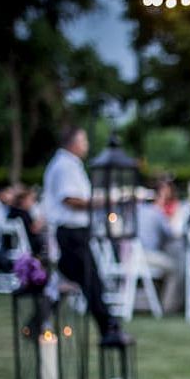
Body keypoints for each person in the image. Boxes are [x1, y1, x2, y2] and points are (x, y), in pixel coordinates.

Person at [43, 126, 126, 344]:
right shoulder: (64, 166)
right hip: (71, 233)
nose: (87, 145)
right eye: (84, 140)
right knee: (91, 281)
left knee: (68, 279)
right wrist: (104, 201)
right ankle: (109, 329)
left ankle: (38, 323)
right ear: (73, 142)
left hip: (75, 233)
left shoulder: (69, 164)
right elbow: (70, 199)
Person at [138, 183, 184, 314]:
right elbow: (170, 234)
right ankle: (169, 307)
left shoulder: (135, 211)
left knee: (165, 263)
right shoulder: (156, 213)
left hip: (129, 257)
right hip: (146, 256)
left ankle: (158, 301)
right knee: (175, 267)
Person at [7, 187, 45, 256]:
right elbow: (34, 230)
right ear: (23, 200)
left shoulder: (13, 212)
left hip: (20, 247)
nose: (33, 203)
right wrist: (41, 220)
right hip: (28, 247)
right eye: (31, 200)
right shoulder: (23, 214)